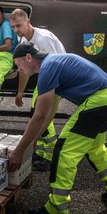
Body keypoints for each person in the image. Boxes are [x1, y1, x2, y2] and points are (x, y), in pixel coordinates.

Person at [8, 42, 107, 214]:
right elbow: (49, 113)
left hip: (99, 101)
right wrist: (34, 140)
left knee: (64, 150)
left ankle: (57, 207)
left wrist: (19, 151)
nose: (19, 69)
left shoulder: (48, 68)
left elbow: (39, 116)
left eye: (18, 64)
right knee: (95, 147)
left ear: (28, 57)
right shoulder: (54, 63)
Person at [9, 9, 65, 172]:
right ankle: (41, 152)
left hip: (57, 79)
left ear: (28, 21)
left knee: (42, 116)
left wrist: (52, 97)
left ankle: (48, 157)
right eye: (13, 27)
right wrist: (20, 92)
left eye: (18, 25)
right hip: (45, 78)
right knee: (36, 114)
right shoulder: (23, 38)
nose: (16, 30)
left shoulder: (42, 39)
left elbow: (55, 66)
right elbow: (23, 69)